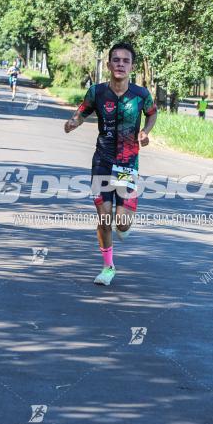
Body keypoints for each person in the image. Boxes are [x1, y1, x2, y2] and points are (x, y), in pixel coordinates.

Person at [63, 42, 157, 286]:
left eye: (126, 61)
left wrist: (145, 132)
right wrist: (73, 122)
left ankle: (123, 226)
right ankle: (108, 267)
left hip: (127, 164)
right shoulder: (97, 92)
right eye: (116, 60)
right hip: (102, 162)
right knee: (104, 218)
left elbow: (152, 113)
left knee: (123, 223)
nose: (120, 64)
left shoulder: (141, 95)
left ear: (132, 67)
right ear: (108, 64)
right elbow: (82, 111)